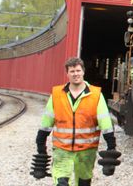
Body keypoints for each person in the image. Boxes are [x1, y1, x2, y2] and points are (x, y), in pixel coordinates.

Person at [33, 57, 119, 186]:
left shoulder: (96, 94)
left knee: (83, 182)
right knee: (61, 182)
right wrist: (41, 142)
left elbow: (105, 122)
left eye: (78, 70)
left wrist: (111, 145)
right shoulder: (57, 94)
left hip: (87, 150)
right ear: (67, 74)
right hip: (62, 149)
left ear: (83, 72)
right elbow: (47, 120)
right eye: (72, 71)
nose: (75, 74)